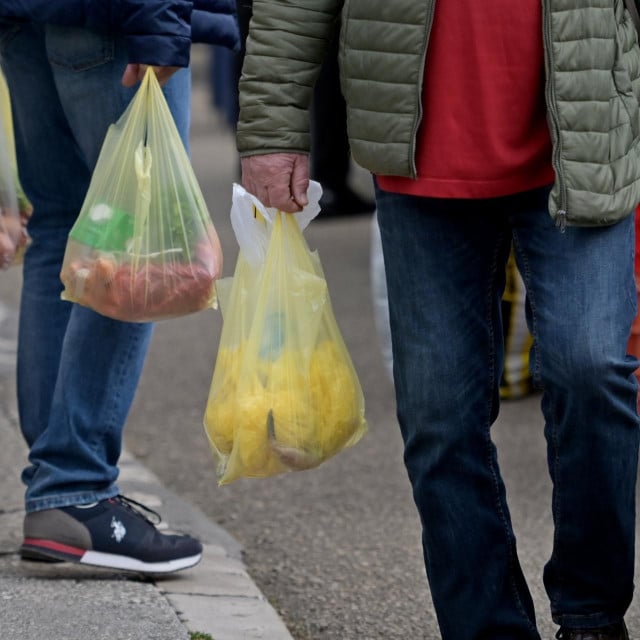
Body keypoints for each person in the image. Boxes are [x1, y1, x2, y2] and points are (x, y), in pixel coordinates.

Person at [236, 2, 640, 639]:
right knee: (437, 415)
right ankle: (485, 628)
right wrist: (271, 130)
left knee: (593, 369)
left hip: (585, 140)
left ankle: (592, 617)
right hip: (419, 158)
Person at [0, 0, 238, 574]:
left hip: (23, 14)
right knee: (134, 241)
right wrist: (159, 22)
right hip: (117, 16)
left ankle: (58, 487)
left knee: (63, 226)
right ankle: (76, 487)